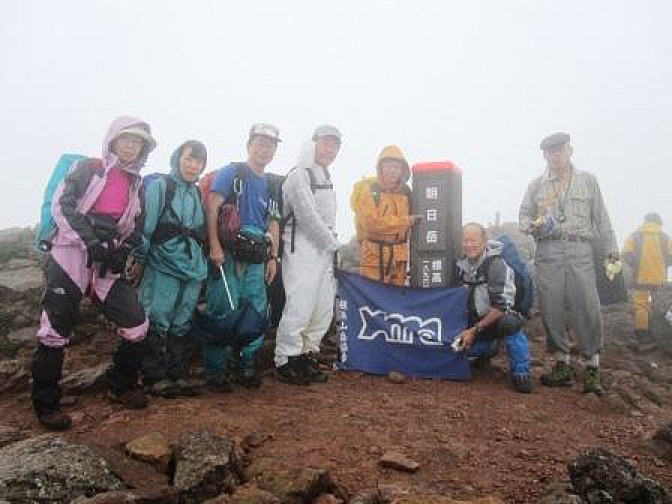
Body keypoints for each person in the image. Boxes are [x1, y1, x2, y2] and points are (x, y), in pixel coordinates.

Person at [32, 117, 156, 430]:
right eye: (126, 139)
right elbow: (63, 206)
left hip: (105, 261)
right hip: (69, 254)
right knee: (55, 328)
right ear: (113, 140)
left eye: (137, 142)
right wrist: (90, 241)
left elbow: (134, 225)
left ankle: (120, 383)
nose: (131, 146)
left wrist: (122, 250)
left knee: (137, 323)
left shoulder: (136, 184)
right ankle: (46, 405)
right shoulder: (87, 168)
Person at [519, 132, 618, 395]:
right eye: (551, 152)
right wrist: (533, 225)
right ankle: (561, 364)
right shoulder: (536, 186)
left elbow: (603, 221)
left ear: (570, 151)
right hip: (548, 250)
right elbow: (523, 217)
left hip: (580, 248)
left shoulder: (588, 181)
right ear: (545, 156)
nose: (556, 156)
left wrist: (612, 256)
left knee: (587, 305)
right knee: (551, 306)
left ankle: (591, 367)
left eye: (560, 150)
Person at [202, 124, 281, 390]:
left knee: (254, 311)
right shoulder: (232, 172)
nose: (264, 150)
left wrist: (273, 258)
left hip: (257, 257)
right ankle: (216, 372)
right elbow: (213, 207)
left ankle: (245, 365)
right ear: (249, 146)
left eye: (270, 145)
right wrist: (214, 246)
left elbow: (273, 223)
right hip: (229, 252)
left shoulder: (271, 185)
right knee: (224, 308)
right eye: (260, 144)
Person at [132, 141, 209, 397]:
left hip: (192, 266)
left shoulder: (196, 193)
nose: (193, 166)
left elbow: (199, 231)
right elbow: (146, 228)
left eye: (198, 161)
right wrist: (140, 259)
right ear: (178, 159)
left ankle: (177, 375)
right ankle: (153, 377)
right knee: (158, 317)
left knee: (182, 320)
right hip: (162, 263)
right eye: (188, 159)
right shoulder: (161, 187)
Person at [274, 125, 342, 385]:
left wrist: (330, 245)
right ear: (313, 143)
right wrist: (333, 244)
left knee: (322, 307)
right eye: (325, 143)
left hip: (323, 250)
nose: (329, 150)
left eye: (334, 146)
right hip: (301, 246)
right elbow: (307, 216)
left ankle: (307, 354)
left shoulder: (325, 177)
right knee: (300, 304)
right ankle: (286, 358)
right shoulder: (299, 175)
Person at [454, 223, 533, 393]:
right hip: (473, 323)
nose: (469, 245)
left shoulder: (496, 265)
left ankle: (521, 372)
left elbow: (501, 307)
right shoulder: (460, 266)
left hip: (494, 321)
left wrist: (474, 331)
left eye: (473, 240)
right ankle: (486, 351)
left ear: (484, 241)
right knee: (462, 353)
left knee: (510, 323)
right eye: (465, 240)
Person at [351, 145, 421, 285]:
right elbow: (371, 224)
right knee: (372, 294)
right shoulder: (369, 190)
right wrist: (406, 221)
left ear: (403, 170)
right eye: (388, 166)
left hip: (399, 258)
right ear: (380, 168)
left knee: (396, 296)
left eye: (396, 167)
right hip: (374, 258)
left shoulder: (407, 193)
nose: (392, 171)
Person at [622, 212, 672, 351]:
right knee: (657, 306)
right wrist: (663, 264)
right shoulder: (665, 237)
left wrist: (635, 264)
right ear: (658, 222)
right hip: (659, 278)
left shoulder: (634, 236)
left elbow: (626, 254)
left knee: (641, 306)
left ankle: (643, 337)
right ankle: (660, 335)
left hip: (640, 277)